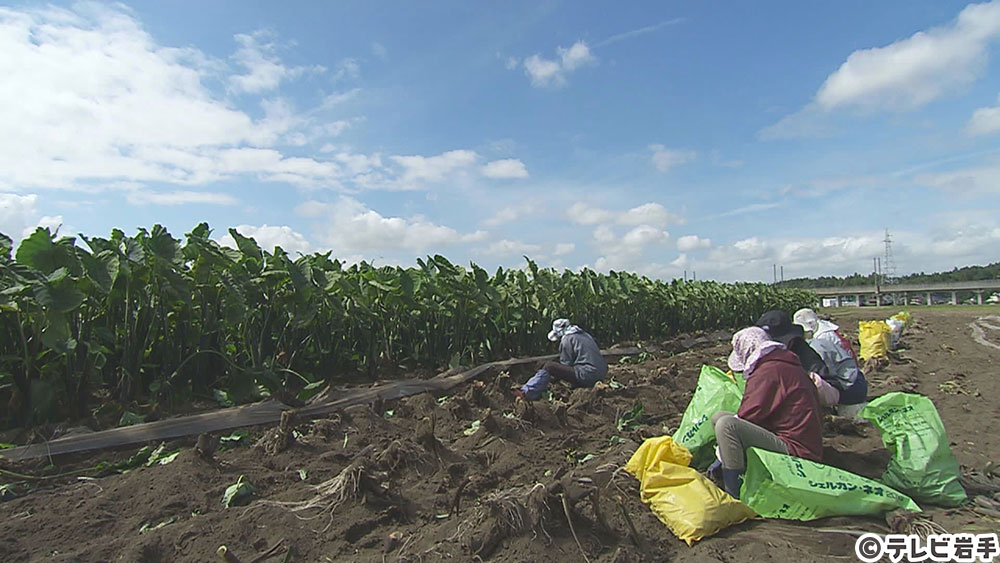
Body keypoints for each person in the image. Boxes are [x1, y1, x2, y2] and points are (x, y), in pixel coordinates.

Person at [710, 327, 823, 499]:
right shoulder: (783, 364)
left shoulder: (768, 372)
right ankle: (739, 470)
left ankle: (735, 492)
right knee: (720, 417)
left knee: (727, 425)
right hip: (802, 441)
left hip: (796, 450)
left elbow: (748, 415)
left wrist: (721, 455)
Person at [792, 308, 869, 417]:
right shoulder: (821, 335)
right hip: (854, 377)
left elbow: (828, 374)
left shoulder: (819, 343)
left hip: (852, 385)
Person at [516, 318, 608, 400]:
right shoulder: (585, 335)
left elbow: (565, 364)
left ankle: (527, 392)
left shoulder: (567, 339)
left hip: (587, 374)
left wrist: (553, 377)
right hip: (601, 374)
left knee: (549, 366)